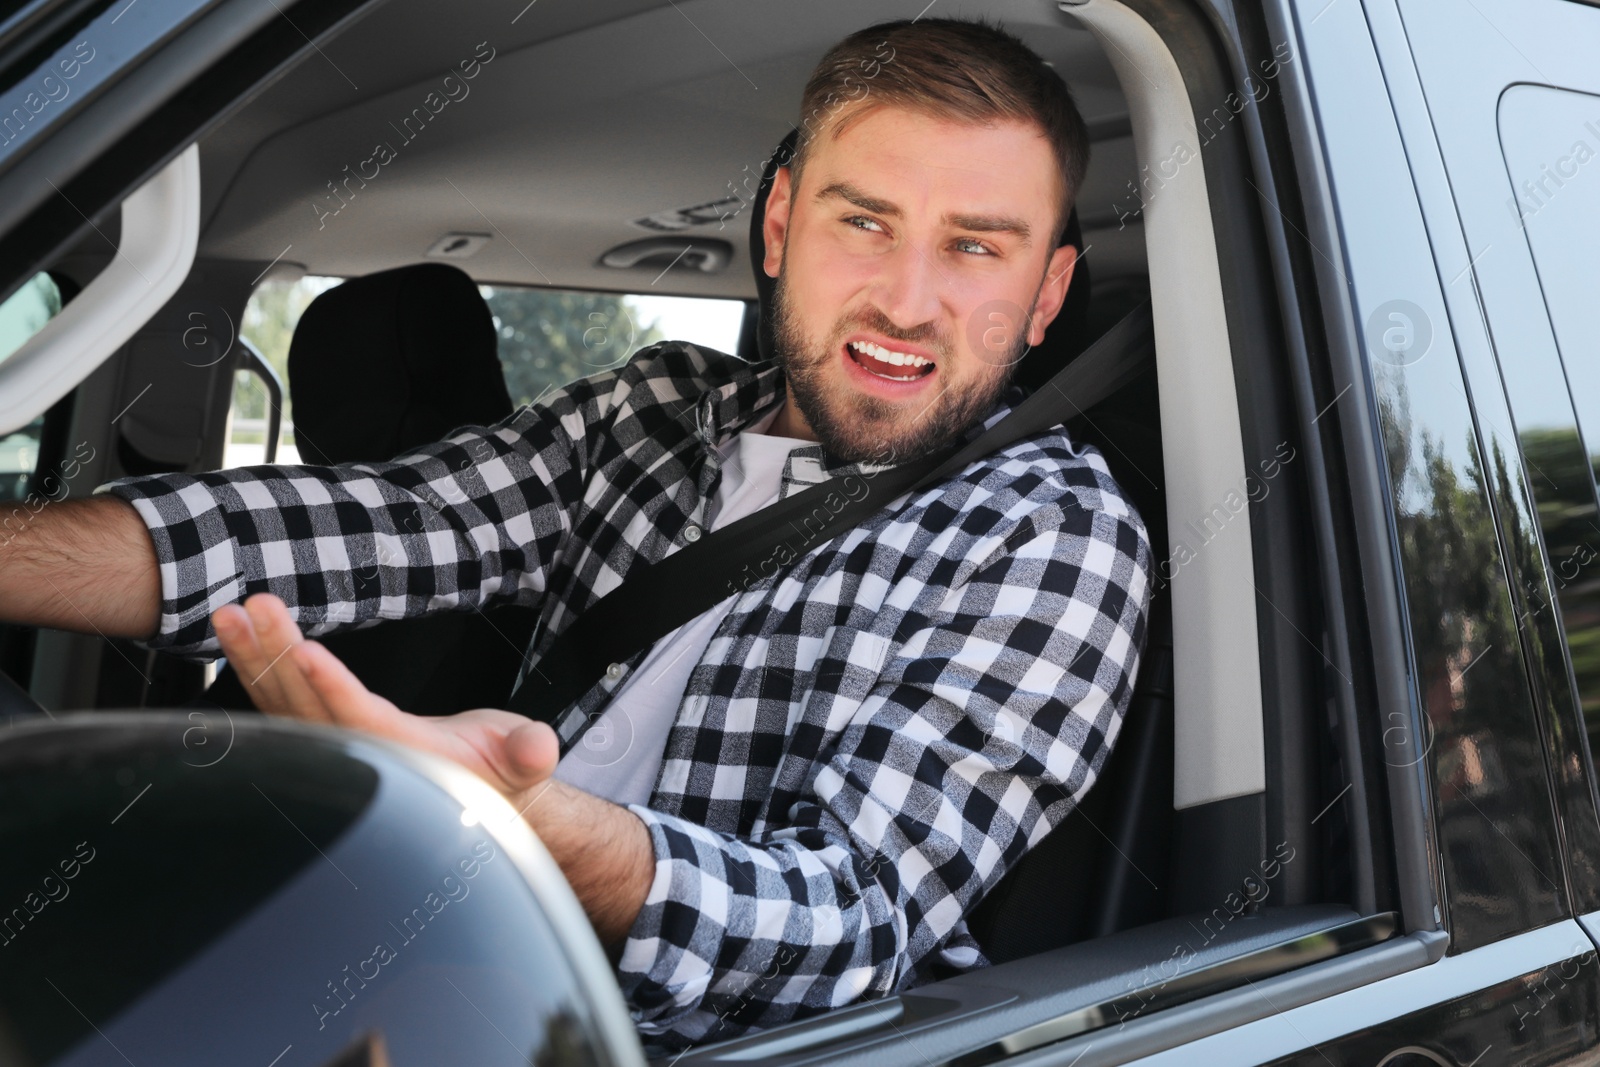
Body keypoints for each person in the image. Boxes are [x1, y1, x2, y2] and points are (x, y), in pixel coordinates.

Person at [0, 17, 1151, 1053]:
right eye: (866, 222)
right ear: (784, 220)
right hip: (433, 966)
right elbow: (362, 526)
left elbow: (849, 927)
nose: (906, 300)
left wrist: (521, 820)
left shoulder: (1051, 532)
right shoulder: (648, 411)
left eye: (974, 247)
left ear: (1047, 295)